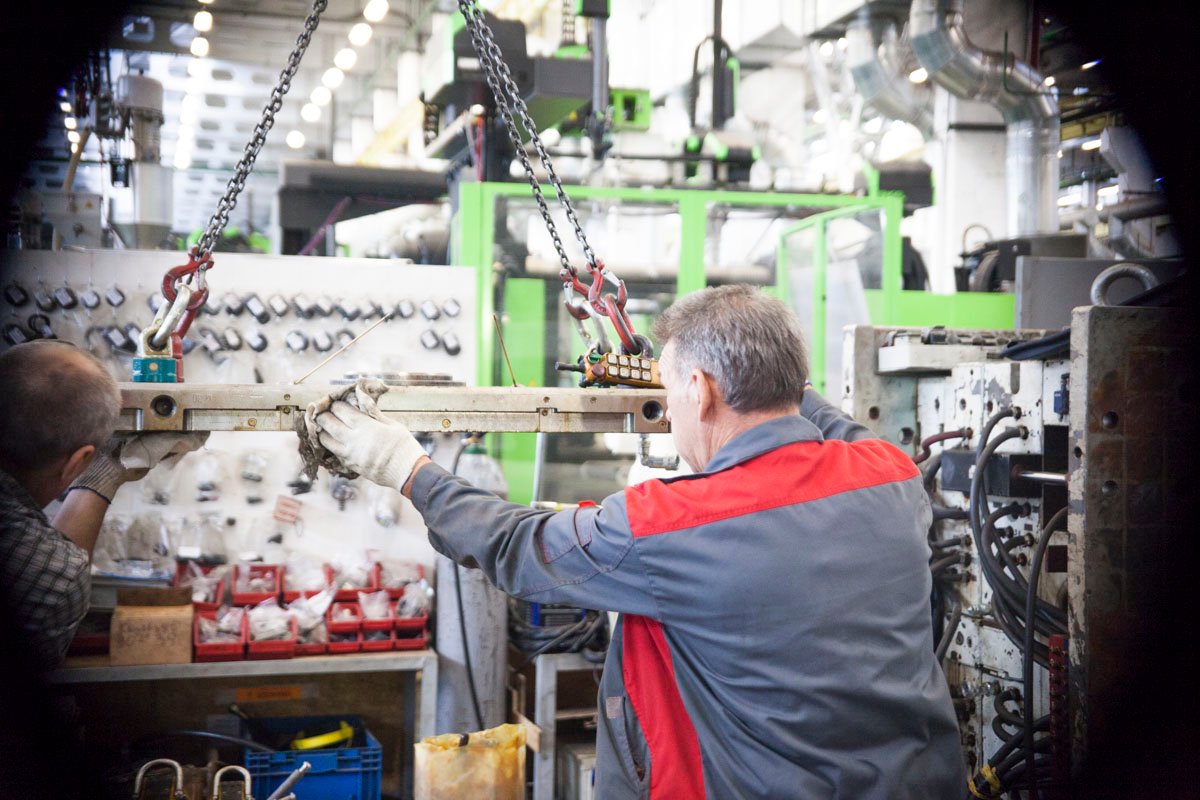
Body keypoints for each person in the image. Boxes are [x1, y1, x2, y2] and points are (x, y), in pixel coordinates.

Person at [314, 285, 965, 798]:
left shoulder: (676, 522)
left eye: (672, 397)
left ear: (701, 391)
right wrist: (759, 365)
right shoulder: (892, 475)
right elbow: (814, 410)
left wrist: (405, 468)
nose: (670, 417)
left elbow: (517, 543)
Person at [0, 340, 206, 670]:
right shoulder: (49, 576)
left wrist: (103, 472)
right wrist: (103, 469)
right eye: (88, 460)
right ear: (77, 461)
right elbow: (54, 574)